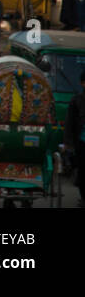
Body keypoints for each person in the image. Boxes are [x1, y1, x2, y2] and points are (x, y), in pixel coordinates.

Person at [67, 71, 85, 207]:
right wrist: (68, 143)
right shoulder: (76, 100)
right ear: (82, 84)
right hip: (82, 143)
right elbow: (70, 124)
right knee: (82, 171)